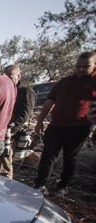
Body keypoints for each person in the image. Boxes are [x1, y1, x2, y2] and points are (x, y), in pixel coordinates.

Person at [34, 51, 96, 196]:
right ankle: (40, 184)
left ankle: (63, 185)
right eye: (78, 66)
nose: (80, 69)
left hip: (79, 127)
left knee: (70, 157)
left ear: (93, 66)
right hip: (56, 125)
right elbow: (49, 101)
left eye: (85, 66)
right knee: (48, 155)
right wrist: (40, 121)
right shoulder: (64, 82)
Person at [0, 65, 36, 179]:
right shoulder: (7, 89)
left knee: (5, 160)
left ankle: (5, 183)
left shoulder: (26, 91)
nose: (8, 79)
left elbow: (25, 113)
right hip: (2, 130)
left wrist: (12, 130)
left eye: (11, 77)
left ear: (19, 76)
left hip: (11, 132)